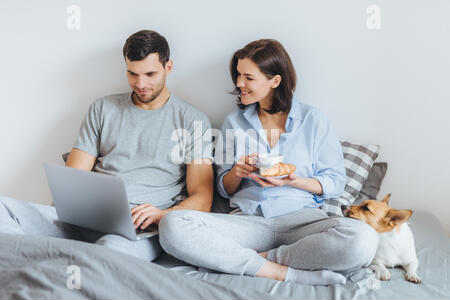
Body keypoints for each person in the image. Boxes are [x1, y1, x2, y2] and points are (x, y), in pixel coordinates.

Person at [159, 39, 379, 286]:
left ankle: (258, 261)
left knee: (363, 239)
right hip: (247, 221)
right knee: (172, 224)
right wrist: (237, 172)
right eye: (238, 76)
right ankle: (286, 273)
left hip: (302, 221)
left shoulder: (314, 120)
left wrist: (296, 181)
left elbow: (336, 182)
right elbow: (223, 187)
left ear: (275, 81)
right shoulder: (234, 122)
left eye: (248, 78)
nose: (239, 83)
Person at [0, 30, 214, 262]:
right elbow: (73, 178)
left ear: (168, 67)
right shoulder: (102, 108)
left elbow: (202, 197)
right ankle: (39, 262)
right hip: (86, 217)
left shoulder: (194, 120)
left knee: (103, 259)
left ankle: (47, 262)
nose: (140, 84)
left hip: (137, 230)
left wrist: (162, 216)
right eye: (132, 74)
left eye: (150, 74)